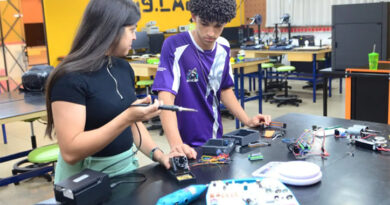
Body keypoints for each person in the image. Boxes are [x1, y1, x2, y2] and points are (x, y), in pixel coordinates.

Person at [45, 0, 179, 183]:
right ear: (111, 30)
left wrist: (158, 154)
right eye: (132, 30)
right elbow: (70, 151)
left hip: (125, 172)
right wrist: (127, 117)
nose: (135, 37)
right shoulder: (69, 78)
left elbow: (134, 126)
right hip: (85, 181)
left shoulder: (123, 68)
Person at [152, 0, 271, 159]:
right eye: (205, 23)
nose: (211, 33)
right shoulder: (174, 45)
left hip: (216, 140)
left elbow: (224, 89)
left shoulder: (223, 47)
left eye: (218, 26)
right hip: (185, 145)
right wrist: (176, 145)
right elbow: (165, 97)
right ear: (194, 17)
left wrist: (247, 120)